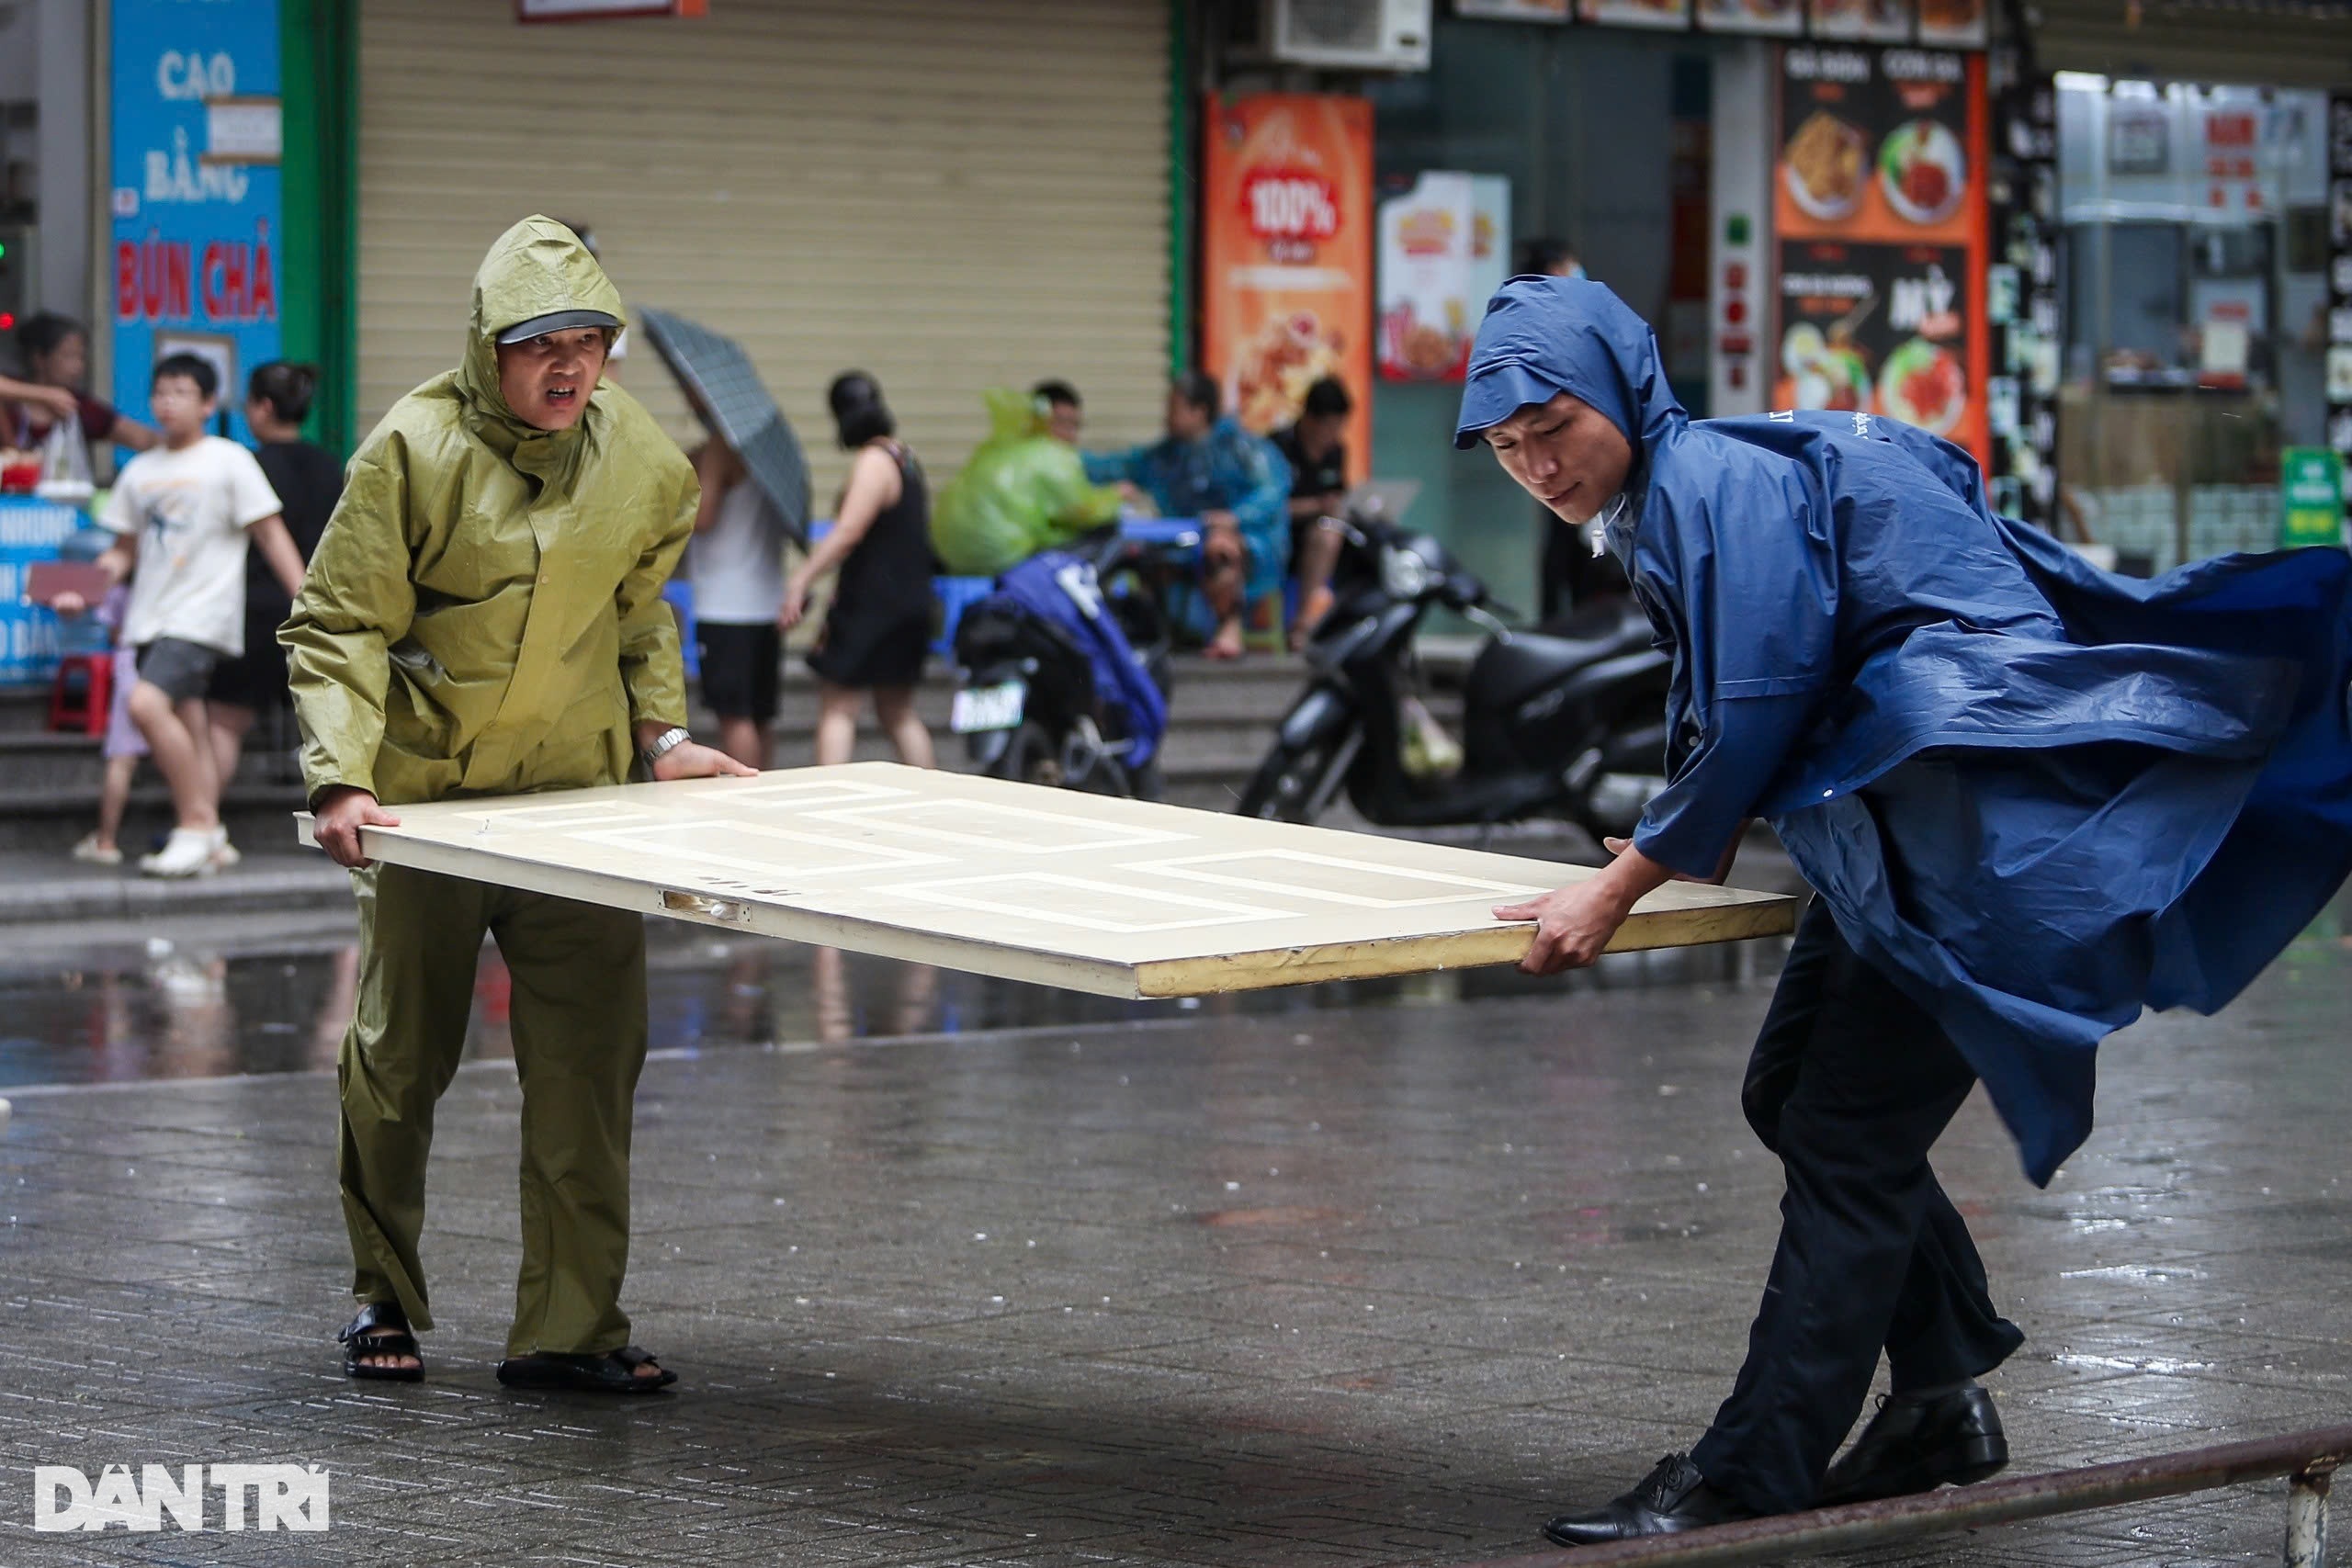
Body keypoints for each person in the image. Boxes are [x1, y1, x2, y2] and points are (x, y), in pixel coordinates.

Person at [1454, 276, 2352, 1543]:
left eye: (1554, 425)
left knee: (1847, 1133)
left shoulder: (1708, 485)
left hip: (1969, 835)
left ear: (1620, 391)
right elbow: (1755, 682)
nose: (1538, 462)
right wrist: (1662, 831)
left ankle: (1747, 1472)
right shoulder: (1676, 488)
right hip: (1907, 824)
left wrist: (1622, 879)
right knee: (1796, 1097)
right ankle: (1940, 1399)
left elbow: (1761, 697)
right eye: (1506, 448)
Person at [281, 215, 752, 1392]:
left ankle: (568, 1330)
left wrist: (667, 735)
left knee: (592, 1067)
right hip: (428, 812)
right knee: (398, 1064)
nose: (567, 366)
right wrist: (340, 774)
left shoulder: (640, 458)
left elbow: (641, 612)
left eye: (590, 342)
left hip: (576, 811)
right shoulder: (413, 449)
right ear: (489, 344)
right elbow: (340, 624)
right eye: (541, 342)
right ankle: (380, 1296)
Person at [75, 355, 306, 878]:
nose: (167, 402)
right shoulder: (140, 470)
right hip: (148, 619)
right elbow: (123, 551)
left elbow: (270, 534)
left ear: (207, 404)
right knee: (191, 723)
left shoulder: (229, 460)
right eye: (160, 392)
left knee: (145, 703)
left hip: (201, 618)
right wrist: (87, 586)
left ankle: (196, 823)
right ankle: (215, 837)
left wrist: (306, 601)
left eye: (181, 392)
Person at [781, 372, 937, 770]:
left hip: (872, 605)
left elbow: (849, 531)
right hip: (911, 602)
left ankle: (827, 795)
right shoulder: (906, 458)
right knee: (897, 710)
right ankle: (932, 789)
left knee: (838, 707)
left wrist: (801, 578)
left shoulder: (873, 462)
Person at [206, 363, 343, 795]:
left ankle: (202, 822)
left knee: (225, 721)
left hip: (256, 611)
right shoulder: (329, 465)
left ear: (263, 408)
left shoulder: (246, 466)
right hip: (317, 610)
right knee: (322, 727)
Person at [1086, 372, 1289, 659]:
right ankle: (1167, 631)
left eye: (1175, 409)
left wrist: (1235, 518)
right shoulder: (1165, 456)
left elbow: (1272, 490)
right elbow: (1114, 466)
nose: (1167, 417)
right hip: (1181, 541)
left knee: (1220, 550)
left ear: (1200, 412)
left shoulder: (1244, 449)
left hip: (1250, 544)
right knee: (1138, 557)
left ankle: (1229, 627)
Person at [687, 425, 792, 768]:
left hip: (725, 604)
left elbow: (702, 517)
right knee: (761, 715)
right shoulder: (771, 452)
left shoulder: (719, 448)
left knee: (734, 716)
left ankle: (745, 792)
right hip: (767, 601)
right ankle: (765, 789)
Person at [0, 312, 159, 468]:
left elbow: (143, 439)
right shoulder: (10, 398)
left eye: (81, 357)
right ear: (39, 359)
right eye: (68, 356)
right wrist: (44, 395)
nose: (78, 367)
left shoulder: (80, 407)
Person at [67, 583, 150, 867]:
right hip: (169, 664)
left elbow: (115, 632)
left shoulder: (120, 589)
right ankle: (200, 828)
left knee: (122, 758)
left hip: (131, 666)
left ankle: (106, 839)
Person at [1270, 375, 1352, 647]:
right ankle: (1303, 626)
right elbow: (1269, 507)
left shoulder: (1336, 452)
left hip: (1324, 541)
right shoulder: (1276, 448)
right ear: (1309, 419)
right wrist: (1316, 506)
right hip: (1280, 540)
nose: (1334, 435)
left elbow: (1339, 495)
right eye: (1330, 426)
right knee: (1326, 534)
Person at [1033, 379, 1084, 446]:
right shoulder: (1018, 454)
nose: (1070, 436)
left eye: (1075, 425)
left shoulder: (1078, 456)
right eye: (1061, 423)